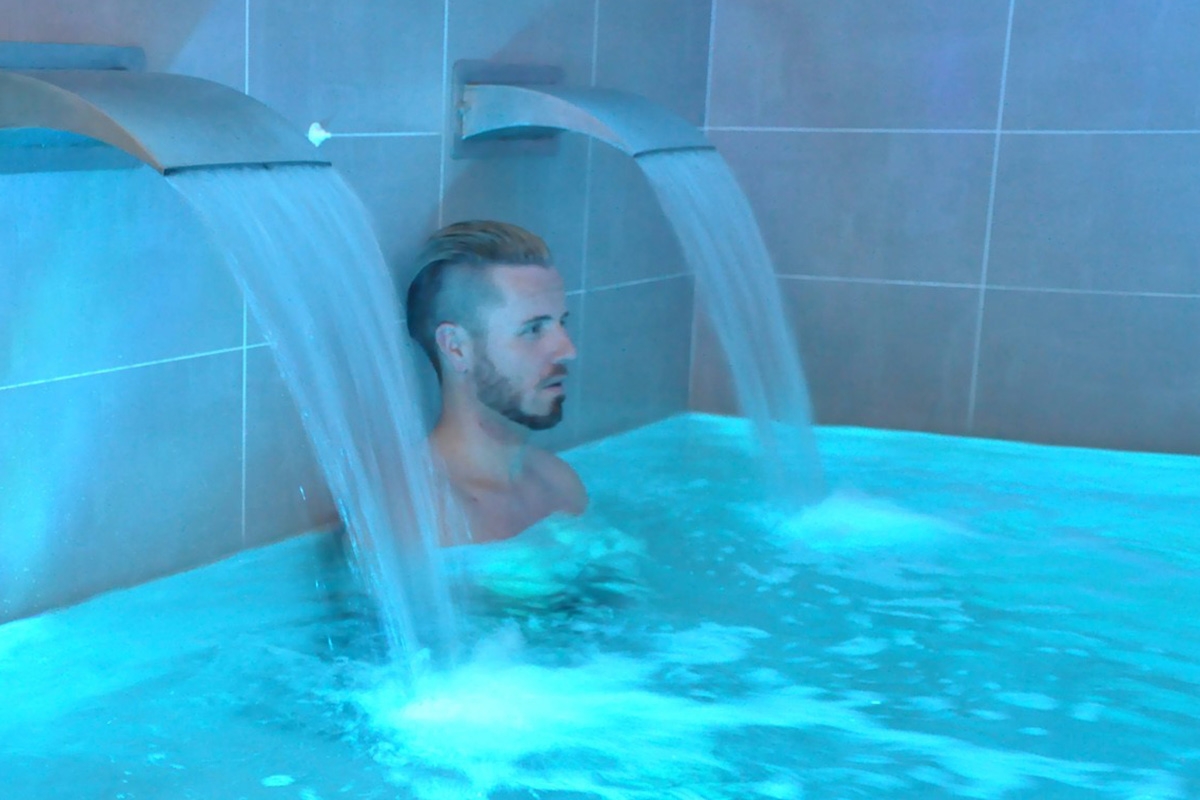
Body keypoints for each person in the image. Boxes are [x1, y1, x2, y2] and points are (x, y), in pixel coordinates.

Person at [405, 220, 588, 545]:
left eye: (561, 324)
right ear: (456, 348)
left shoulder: (561, 486)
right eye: (533, 329)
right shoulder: (414, 519)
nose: (567, 350)